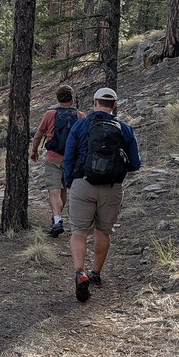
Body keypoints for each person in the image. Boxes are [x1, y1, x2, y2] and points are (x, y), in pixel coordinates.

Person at [62, 87, 141, 302]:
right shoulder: (125, 129)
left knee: (79, 232)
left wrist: (71, 182)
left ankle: (80, 272)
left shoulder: (80, 125)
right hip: (111, 188)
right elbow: (135, 164)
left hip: (82, 184)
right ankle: (96, 274)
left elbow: (69, 157)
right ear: (114, 105)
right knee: (103, 231)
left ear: (95, 103)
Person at [30, 85, 84, 238]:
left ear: (58, 99)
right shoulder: (80, 116)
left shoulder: (50, 114)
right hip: (71, 160)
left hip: (53, 158)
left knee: (54, 190)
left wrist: (34, 151)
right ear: (72, 99)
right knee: (63, 189)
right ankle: (57, 218)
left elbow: (38, 134)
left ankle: (57, 220)